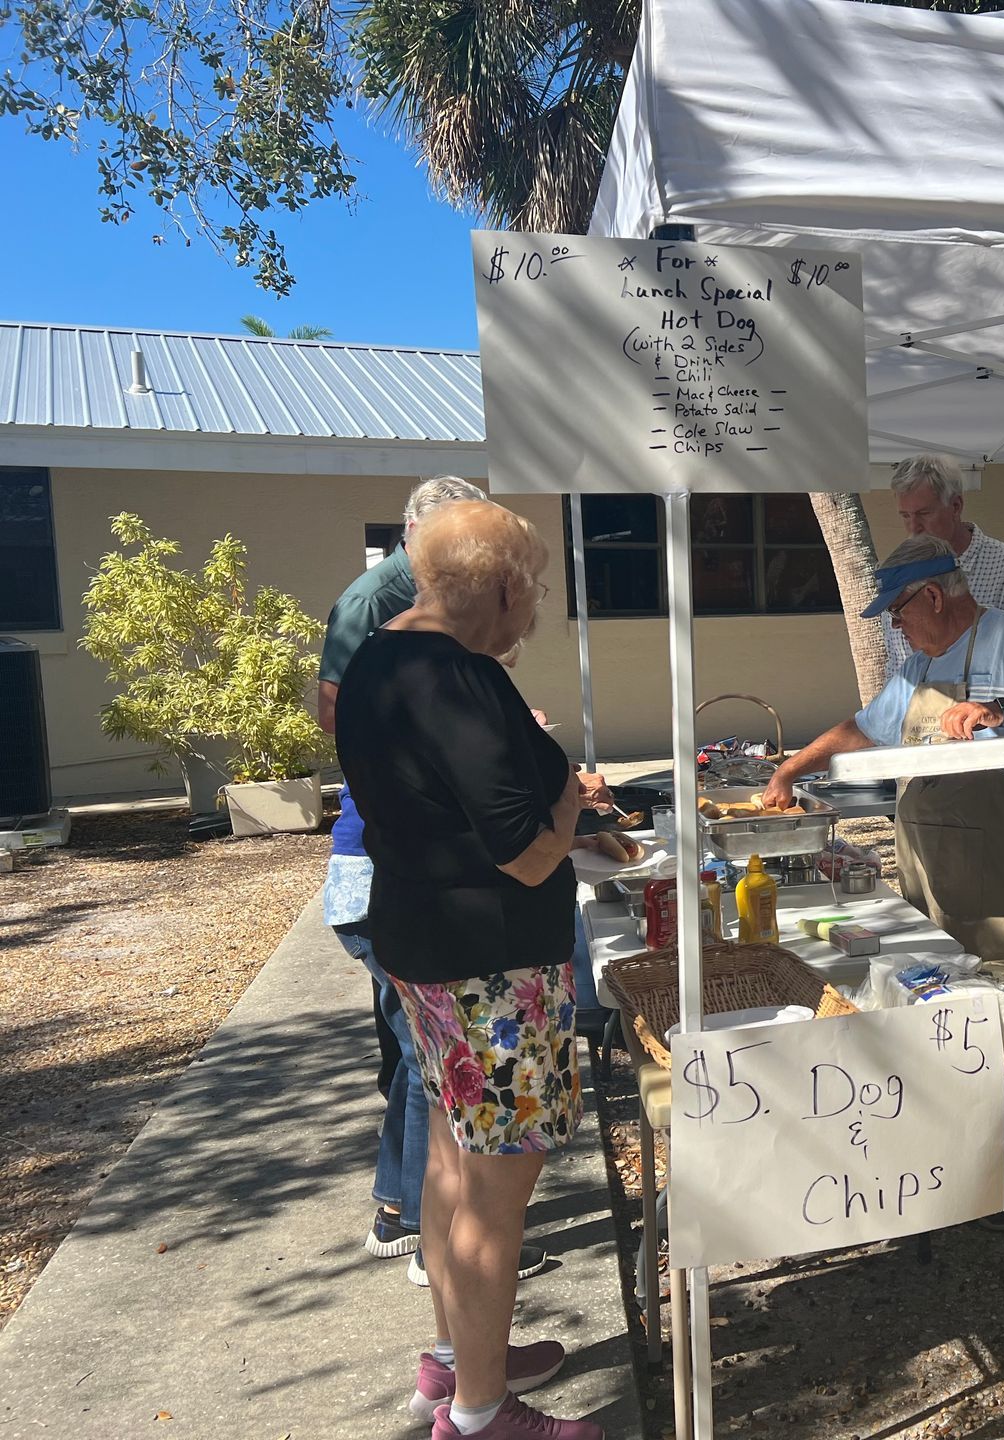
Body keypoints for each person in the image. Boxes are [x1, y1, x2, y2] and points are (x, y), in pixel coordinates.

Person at [336, 500, 600, 1440]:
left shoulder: (376, 658)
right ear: (499, 587)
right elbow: (524, 851)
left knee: (452, 1157)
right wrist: (571, 804)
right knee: (496, 1192)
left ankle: (456, 1361)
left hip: (423, 947)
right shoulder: (460, 676)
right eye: (532, 594)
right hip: (495, 971)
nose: (532, 614)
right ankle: (483, 1414)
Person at [765, 534, 1004, 1229]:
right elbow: (864, 729)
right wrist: (792, 768)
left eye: (898, 610)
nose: (895, 625)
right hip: (931, 865)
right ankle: (975, 1144)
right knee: (945, 1002)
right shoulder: (917, 669)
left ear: (934, 596)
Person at [883, 454, 1004, 674]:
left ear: (956, 506)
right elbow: (896, 664)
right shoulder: (897, 574)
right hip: (914, 695)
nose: (914, 527)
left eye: (924, 513)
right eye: (905, 516)